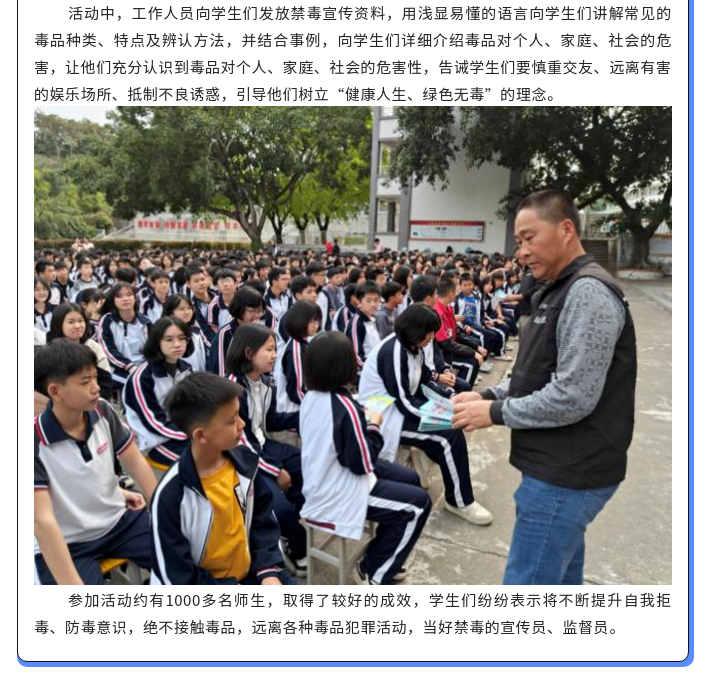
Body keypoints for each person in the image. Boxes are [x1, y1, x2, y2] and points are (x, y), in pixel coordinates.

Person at [452, 189, 637, 585]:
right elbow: (534, 372)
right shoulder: (556, 288)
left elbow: (572, 396)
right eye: (518, 242)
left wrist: (495, 413)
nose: (521, 252)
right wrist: (487, 395)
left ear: (566, 229)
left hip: (567, 472)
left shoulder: (587, 293)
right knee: (561, 581)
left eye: (529, 238)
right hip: (556, 467)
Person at [300, 331, 432, 585]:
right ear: (344, 367)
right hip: (337, 492)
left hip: (326, 475)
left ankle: (385, 551)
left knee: (410, 478)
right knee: (418, 504)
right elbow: (364, 463)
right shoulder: (344, 407)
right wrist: (373, 425)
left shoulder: (312, 396)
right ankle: (371, 571)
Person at [150, 371, 295, 585]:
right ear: (201, 435)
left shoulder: (244, 464)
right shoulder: (171, 495)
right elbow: (177, 575)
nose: (242, 424)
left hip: (252, 572)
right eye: (232, 420)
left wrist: (267, 572)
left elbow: (263, 522)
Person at [34, 340, 157, 584]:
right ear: (55, 392)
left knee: (186, 559)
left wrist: (160, 511)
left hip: (118, 522)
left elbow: (137, 464)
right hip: (69, 542)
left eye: (95, 378)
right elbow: (42, 520)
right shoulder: (32, 441)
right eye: (85, 382)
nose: (96, 387)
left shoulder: (102, 411)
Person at [358, 304, 493, 525]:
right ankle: (459, 501)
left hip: (403, 407)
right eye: (429, 333)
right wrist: (440, 417)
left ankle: (437, 466)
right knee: (448, 436)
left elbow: (423, 382)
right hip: (384, 414)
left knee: (453, 422)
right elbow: (403, 402)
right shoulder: (393, 352)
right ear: (415, 331)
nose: (431, 338)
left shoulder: (415, 348)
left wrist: (448, 399)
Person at [225, 324, 307, 575]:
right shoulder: (233, 389)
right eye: (269, 350)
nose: (274, 355)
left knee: (307, 467)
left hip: (263, 445)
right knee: (278, 506)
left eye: (274, 349)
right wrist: (274, 470)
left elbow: (269, 421)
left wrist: (305, 415)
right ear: (249, 353)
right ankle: (290, 543)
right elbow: (241, 440)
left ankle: (293, 533)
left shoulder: (265, 383)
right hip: (242, 456)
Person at [122, 317, 194, 471]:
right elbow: (153, 422)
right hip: (153, 440)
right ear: (156, 342)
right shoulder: (142, 378)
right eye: (169, 339)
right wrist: (191, 434)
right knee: (200, 459)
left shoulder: (186, 369)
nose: (177, 344)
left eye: (182, 338)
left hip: (182, 432)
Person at [47, 303, 113, 400]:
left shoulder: (93, 347)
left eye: (81, 321)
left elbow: (105, 382)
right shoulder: (49, 350)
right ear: (59, 324)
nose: (78, 326)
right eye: (71, 322)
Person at [96, 282, 151, 389]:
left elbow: (152, 350)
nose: (125, 299)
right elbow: (107, 349)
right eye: (119, 296)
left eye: (129, 295)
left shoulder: (146, 322)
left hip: (144, 367)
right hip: (117, 367)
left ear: (135, 298)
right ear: (113, 300)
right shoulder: (107, 320)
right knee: (134, 384)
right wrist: (129, 366)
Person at [273, 300, 322, 413]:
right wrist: (316, 407)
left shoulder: (302, 343)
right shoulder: (295, 349)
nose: (316, 325)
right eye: (311, 321)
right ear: (299, 321)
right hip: (292, 411)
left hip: (301, 408)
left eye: (317, 321)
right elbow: (296, 391)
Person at [164, 294, 210, 372]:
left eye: (189, 308)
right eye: (181, 309)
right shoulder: (165, 336)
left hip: (199, 377)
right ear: (171, 313)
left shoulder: (195, 332)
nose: (187, 312)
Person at [346, 281, 382, 372]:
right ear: (359, 301)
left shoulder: (373, 319)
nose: (373, 304)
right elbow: (356, 356)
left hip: (375, 367)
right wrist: (375, 370)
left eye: (376, 300)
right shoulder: (356, 323)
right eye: (368, 301)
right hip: (363, 373)